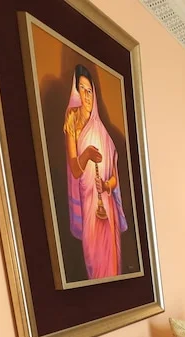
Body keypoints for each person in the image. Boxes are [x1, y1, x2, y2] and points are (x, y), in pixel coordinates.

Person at [63, 64, 128, 280]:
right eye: (81, 89)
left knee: (112, 262)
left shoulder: (103, 133)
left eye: (89, 90)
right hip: (89, 204)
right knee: (94, 260)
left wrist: (106, 185)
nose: (86, 95)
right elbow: (75, 169)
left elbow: (114, 179)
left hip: (106, 207)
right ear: (76, 92)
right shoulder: (72, 124)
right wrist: (87, 155)